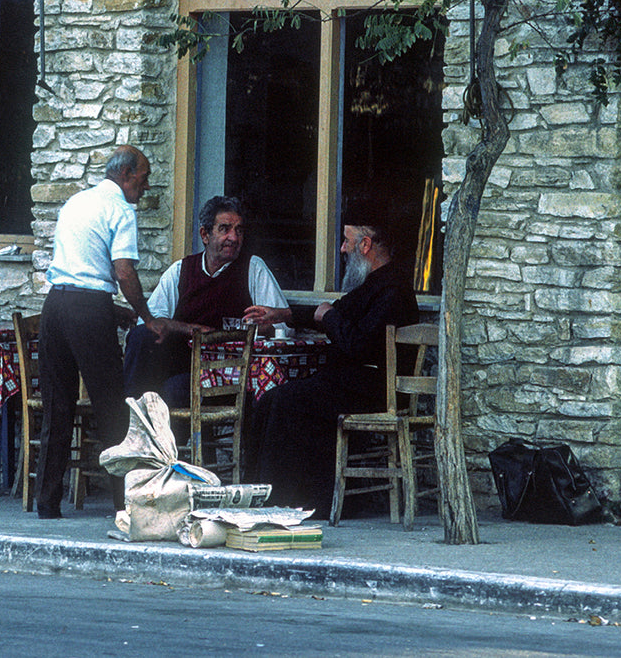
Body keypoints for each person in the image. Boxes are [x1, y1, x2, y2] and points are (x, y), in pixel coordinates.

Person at [36, 144, 179, 519]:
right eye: (144, 178)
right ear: (127, 174)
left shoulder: (77, 202)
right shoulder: (120, 210)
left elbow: (77, 269)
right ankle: (124, 501)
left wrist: (114, 310)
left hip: (56, 307)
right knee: (111, 407)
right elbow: (124, 272)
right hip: (88, 311)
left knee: (57, 406)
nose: (145, 187)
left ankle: (47, 502)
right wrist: (147, 317)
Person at [244, 215, 419, 517]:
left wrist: (328, 318)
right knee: (270, 398)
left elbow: (355, 341)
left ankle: (286, 502)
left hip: (377, 390)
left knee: (288, 400)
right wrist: (280, 315)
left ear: (365, 245)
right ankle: (257, 495)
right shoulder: (376, 284)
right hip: (353, 384)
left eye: (346, 241)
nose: (340, 249)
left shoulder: (393, 289)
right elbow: (331, 311)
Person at [123, 195, 291, 407]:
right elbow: (150, 321)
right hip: (186, 365)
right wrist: (189, 329)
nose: (234, 237)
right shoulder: (181, 271)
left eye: (239, 230)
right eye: (224, 229)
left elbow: (281, 328)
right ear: (205, 234)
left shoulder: (253, 268)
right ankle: (131, 422)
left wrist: (267, 326)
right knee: (141, 337)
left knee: (173, 391)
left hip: (231, 373)